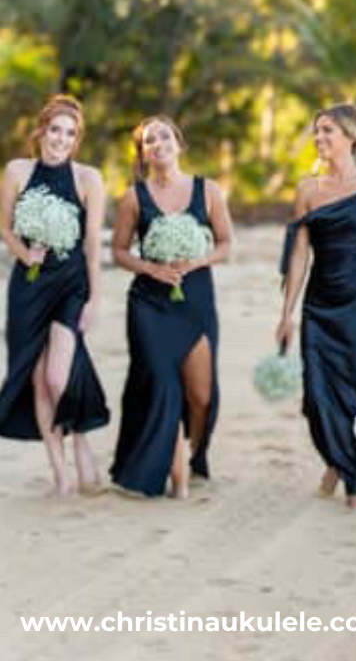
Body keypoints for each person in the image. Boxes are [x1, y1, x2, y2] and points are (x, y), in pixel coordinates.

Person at [110, 116, 232, 498]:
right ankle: (173, 480)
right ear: (143, 154)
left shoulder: (207, 190)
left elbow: (226, 244)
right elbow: (117, 250)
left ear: (178, 142)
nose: (157, 144)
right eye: (149, 141)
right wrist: (151, 267)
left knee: (201, 397)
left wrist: (194, 261)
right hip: (149, 304)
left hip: (195, 302)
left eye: (164, 136)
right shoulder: (134, 196)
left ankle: (195, 456)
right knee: (163, 387)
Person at [277, 104, 356, 509]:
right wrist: (286, 313)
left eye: (328, 131)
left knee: (355, 393)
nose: (320, 138)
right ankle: (337, 458)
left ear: (352, 138)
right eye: (317, 131)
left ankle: (353, 481)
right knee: (317, 397)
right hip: (318, 307)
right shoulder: (307, 190)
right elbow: (298, 256)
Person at [0, 95, 109, 495]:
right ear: (41, 130)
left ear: (76, 140)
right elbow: (4, 226)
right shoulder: (16, 171)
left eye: (70, 133)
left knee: (58, 377)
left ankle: (80, 439)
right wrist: (23, 252)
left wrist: (95, 298)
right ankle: (60, 473)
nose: (61, 139)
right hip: (28, 287)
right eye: (55, 130)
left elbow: (93, 246)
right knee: (37, 381)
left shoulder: (89, 179)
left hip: (70, 285)